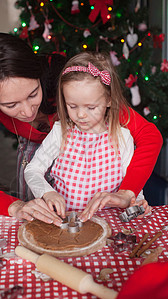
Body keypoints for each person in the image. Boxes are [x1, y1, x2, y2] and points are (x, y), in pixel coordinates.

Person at [0, 34, 162, 225]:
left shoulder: (77, 88)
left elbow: (149, 136)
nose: (28, 112)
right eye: (11, 105)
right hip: (42, 159)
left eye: (33, 94)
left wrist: (127, 193)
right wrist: (15, 206)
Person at [24, 51, 157, 220]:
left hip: (109, 225)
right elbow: (33, 170)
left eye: (91, 107)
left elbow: (133, 192)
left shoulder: (122, 137)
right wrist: (47, 193)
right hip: (67, 223)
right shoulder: (60, 133)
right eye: (72, 106)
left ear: (109, 100)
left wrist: (137, 204)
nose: (81, 115)